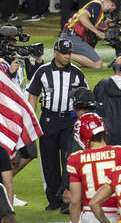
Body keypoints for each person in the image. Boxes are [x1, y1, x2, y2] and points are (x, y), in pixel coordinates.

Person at [28, 38, 88, 212]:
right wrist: (32, 118)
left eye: (69, 53)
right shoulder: (43, 71)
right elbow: (33, 94)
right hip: (48, 120)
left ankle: (67, 198)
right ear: (55, 53)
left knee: (69, 160)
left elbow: (85, 97)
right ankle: (53, 198)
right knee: (49, 161)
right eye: (64, 53)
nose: (67, 56)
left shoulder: (77, 73)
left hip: (69, 121)